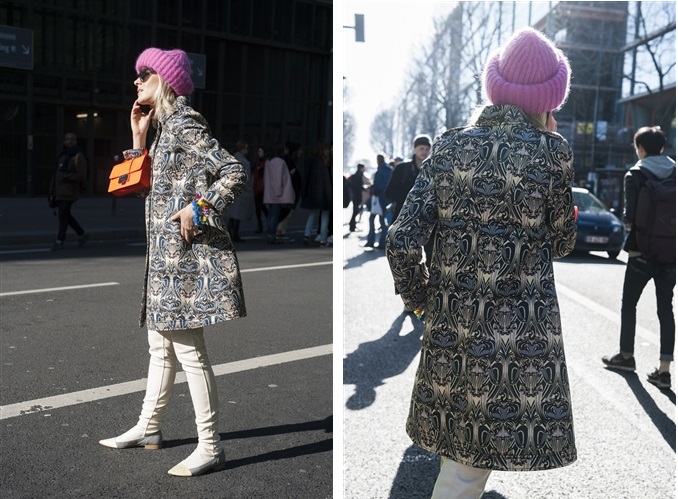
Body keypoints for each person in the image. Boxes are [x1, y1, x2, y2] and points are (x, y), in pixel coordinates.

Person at [386, 27, 577, 498]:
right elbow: (564, 243)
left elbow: (401, 238)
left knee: (460, 456)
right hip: (518, 338)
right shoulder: (552, 153)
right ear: (547, 101)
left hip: (452, 327)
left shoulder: (449, 146)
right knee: (466, 472)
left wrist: (422, 302)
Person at [98, 48, 247, 478]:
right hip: (163, 259)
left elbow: (232, 171)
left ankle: (210, 445)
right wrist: (138, 140)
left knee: (189, 351)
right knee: (159, 348)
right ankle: (149, 427)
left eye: (143, 75)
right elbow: (137, 189)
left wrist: (199, 208)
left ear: (163, 80)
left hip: (185, 261)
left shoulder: (184, 122)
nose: (135, 82)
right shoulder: (162, 128)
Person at [602, 126, 676, 388]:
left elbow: (629, 217)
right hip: (671, 254)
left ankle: (626, 356)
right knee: (665, 309)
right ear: (663, 148)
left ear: (640, 148)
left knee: (629, 304)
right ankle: (664, 370)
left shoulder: (635, 173)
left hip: (641, 252)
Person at [48, 132, 89, 250]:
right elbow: (55, 175)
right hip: (59, 191)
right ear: (64, 142)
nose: (70, 141)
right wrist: (51, 191)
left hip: (69, 192)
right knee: (65, 215)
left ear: (76, 142)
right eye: (67, 139)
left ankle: (60, 240)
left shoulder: (78, 156)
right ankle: (82, 234)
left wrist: (67, 176)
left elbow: (82, 176)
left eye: (72, 139)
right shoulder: (62, 155)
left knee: (63, 216)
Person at [385, 134, 431, 222]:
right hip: (402, 217)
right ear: (414, 149)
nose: (424, 152)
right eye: (421, 148)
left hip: (425, 219)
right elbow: (389, 192)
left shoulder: (433, 169)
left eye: (427, 149)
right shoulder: (402, 168)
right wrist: (410, 198)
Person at [301, 140, 332, 247]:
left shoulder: (311, 160)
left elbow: (307, 177)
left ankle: (307, 234)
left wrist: (303, 192)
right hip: (326, 192)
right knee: (325, 216)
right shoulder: (328, 161)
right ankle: (323, 239)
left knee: (313, 214)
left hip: (313, 192)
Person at [263, 143, 295, 244]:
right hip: (277, 193)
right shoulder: (280, 162)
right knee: (274, 215)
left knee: (271, 214)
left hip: (269, 192)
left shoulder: (268, 161)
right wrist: (279, 192)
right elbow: (278, 179)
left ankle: (269, 233)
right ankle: (271, 235)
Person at [226, 140, 254, 242]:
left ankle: (230, 232)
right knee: (238, 214)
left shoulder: (232, 158)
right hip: (241, 191)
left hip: (231, 189)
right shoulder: (244, 162)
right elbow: (247, 178)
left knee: (233, 214)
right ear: (242, 149)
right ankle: (234, 234)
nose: (247, 150)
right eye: (246, 148)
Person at [276, 141, 303, 241]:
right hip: (290, 190)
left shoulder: (291, 161)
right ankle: (279, 231)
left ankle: (281, 231)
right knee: (287, 210)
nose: (301, 152)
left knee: (288, 211)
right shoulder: (288, 162)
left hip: (292, 189)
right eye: (299, 150)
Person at [365, 154, 391, 249]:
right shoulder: (389, 169)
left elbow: (379, 186)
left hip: (379, 199)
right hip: (387, 199)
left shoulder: (380, 171)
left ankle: (370, 241)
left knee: (372, 219)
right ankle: (382, 243)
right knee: (383, 222)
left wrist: (373, 189)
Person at [348, 163, 369, 232]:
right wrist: (364, 188)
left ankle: (352, 225)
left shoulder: (355, 175)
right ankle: (352, 225)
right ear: (361, 168)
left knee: (356, 210)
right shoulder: (359, 175)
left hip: (355, 195)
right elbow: (358, 186)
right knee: (356, 211)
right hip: (357, 195)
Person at [252, 146, 269, 233]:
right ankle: (260, 224)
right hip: (257, 187)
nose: (259, 153)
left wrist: (260, 170)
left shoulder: (266, 162)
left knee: (262, 206)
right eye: (258, 151)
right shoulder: (257, 162)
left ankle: (268, 222)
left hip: (263, 187)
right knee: (258, 208)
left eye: (261, 151)